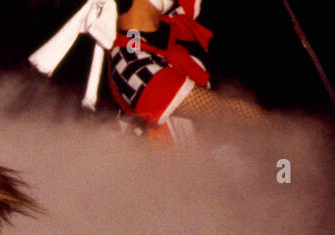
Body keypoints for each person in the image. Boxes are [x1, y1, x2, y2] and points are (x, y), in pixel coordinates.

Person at [31, 1, 264, 144]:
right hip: (184, 207)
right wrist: (281, 130)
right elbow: (221, 110)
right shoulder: (130, 61)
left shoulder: (169, 46)